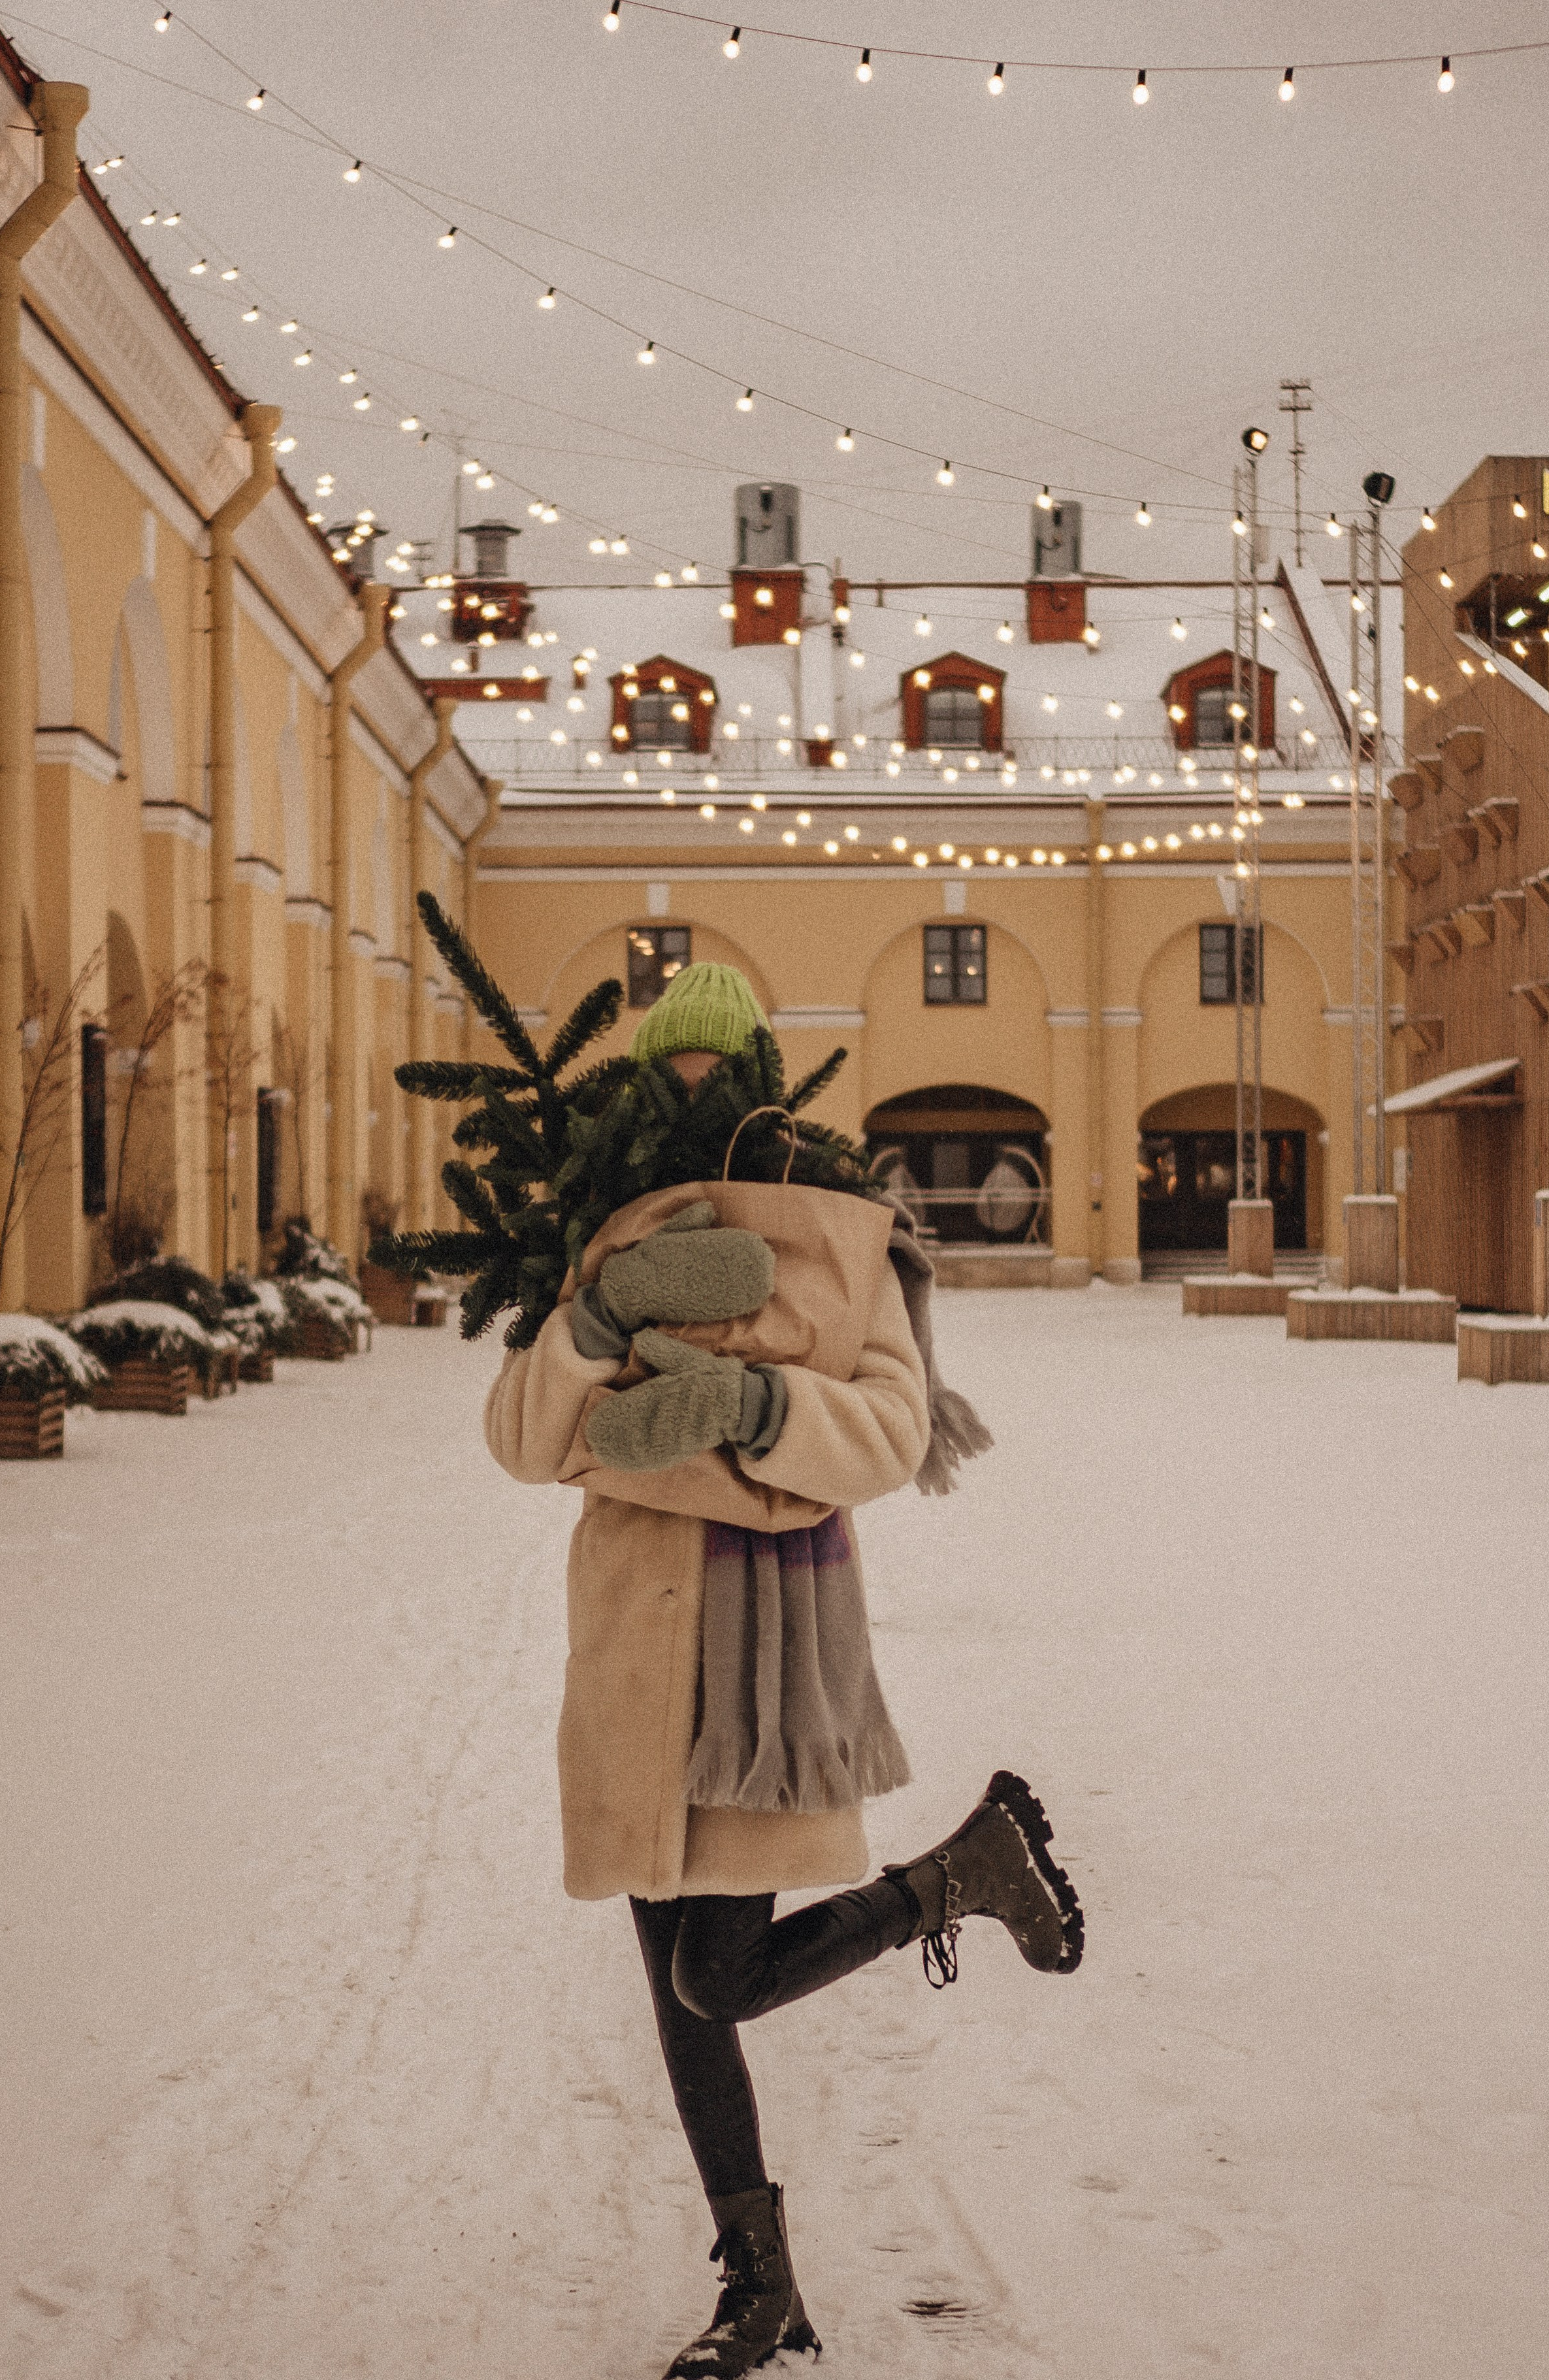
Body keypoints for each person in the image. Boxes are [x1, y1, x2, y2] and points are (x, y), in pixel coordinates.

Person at [484, 963, 1083, 2379]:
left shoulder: (835, 1235)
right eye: (669, 1078)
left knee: (719, 1973)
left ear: (756, 1071)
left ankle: (960, 1871)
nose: (693, 1098)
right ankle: (760, 2292)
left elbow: (886, 1429)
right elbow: (525, 1438)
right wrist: (593, 1320)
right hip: (636, 1650)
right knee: (679, 1998)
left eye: (715, 1073)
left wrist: (754, 1403)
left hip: (760, 1660)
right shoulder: (610, 1233)